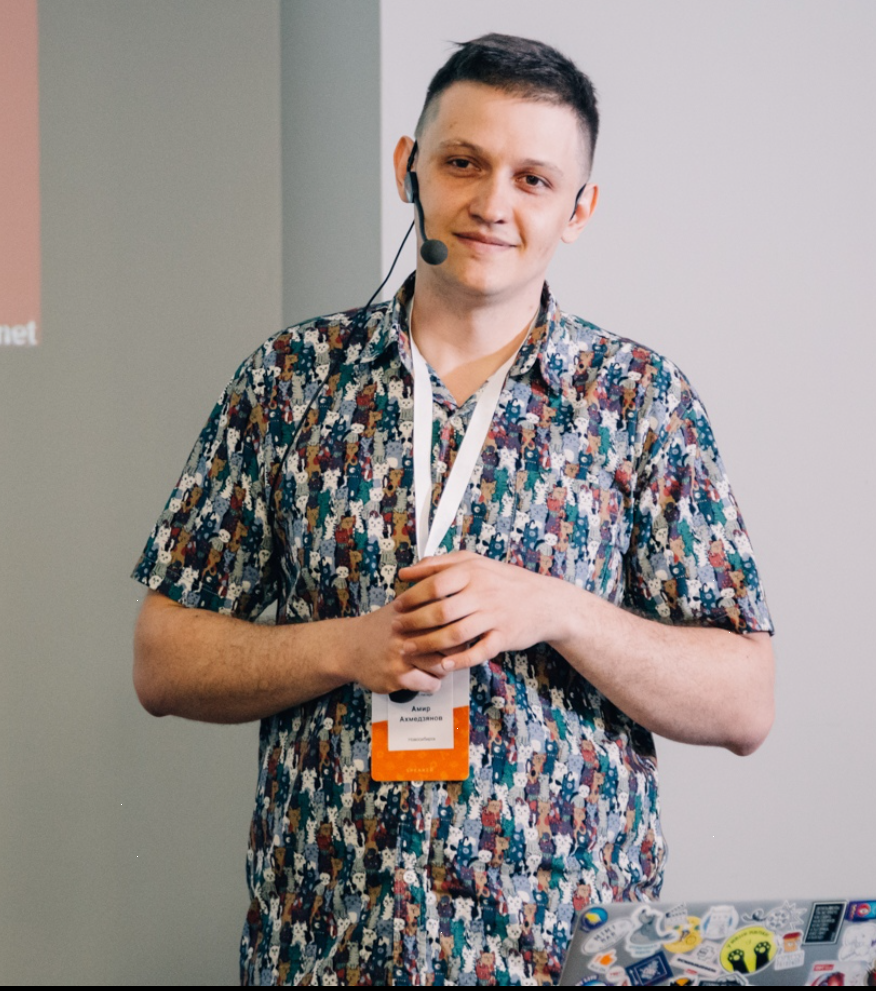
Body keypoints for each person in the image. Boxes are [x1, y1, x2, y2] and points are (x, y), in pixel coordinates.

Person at [132, 33, 774, 986]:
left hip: (560, 957)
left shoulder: (640, 401)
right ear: (409, 167)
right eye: (464, 163)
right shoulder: (288, 382)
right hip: (329, 952)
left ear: (579, 209)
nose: (492, 204)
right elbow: (162, 659)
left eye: (533, 179)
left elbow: (746, 701)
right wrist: (345, 648)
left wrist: (557, 609)